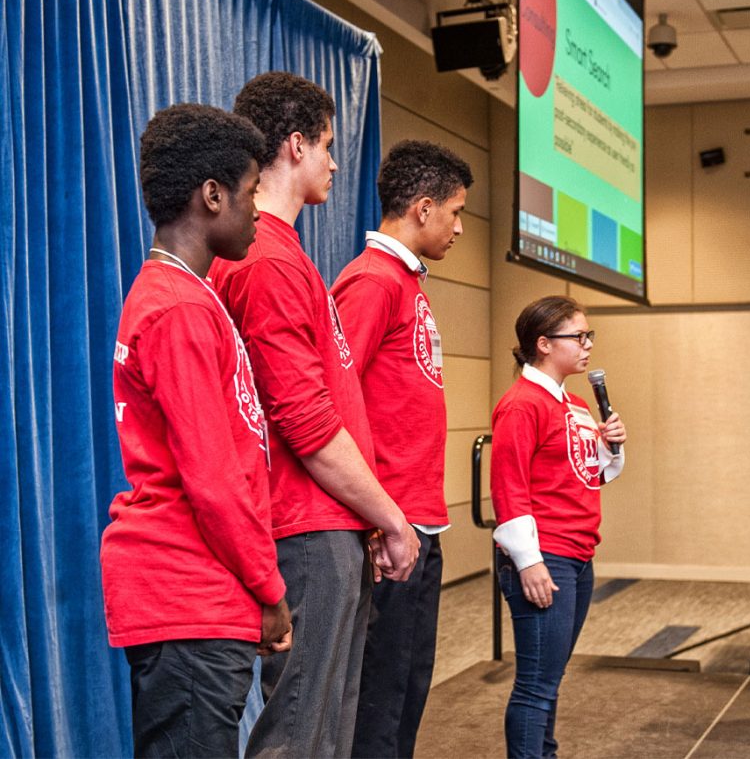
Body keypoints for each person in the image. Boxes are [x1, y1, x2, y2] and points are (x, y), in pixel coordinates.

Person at [208, 71, 420, 758]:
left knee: (327, 733)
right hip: (305, 527)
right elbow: (304, 421)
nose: (334, 162)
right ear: (295, 146)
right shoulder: (264, 261)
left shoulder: (285, 255)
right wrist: (392, 516)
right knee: (300, 735)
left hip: (330, 524)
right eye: (327, 146)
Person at [100, 103, 292, 758]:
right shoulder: (177, 308)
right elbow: (213, 479)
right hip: (185, 594)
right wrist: (269, 588)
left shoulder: (189, 297)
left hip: (201, 594)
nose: (258, 211)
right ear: (212, 196)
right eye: (250, 193)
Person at [330, 140, 473, 757]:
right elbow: (334, 402)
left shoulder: (406, 281)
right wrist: (375, 520)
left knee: (408, 692)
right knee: (379, 706)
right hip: (388, 526)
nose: (460, 228)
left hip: (417, 521)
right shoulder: (371, 281)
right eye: (456, 212)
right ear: (423, 208)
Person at [489, 295, 626, 759]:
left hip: (578, 554)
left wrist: (610, 447)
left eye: (589, 336)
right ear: (544, 344)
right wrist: (529, 562)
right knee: (536, 686)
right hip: (545, 557)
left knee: (550, 678)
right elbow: (508, 486)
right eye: (578, 337)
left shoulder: (576, 403)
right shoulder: (521, 405)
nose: (588, 345)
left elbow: (590, 475)